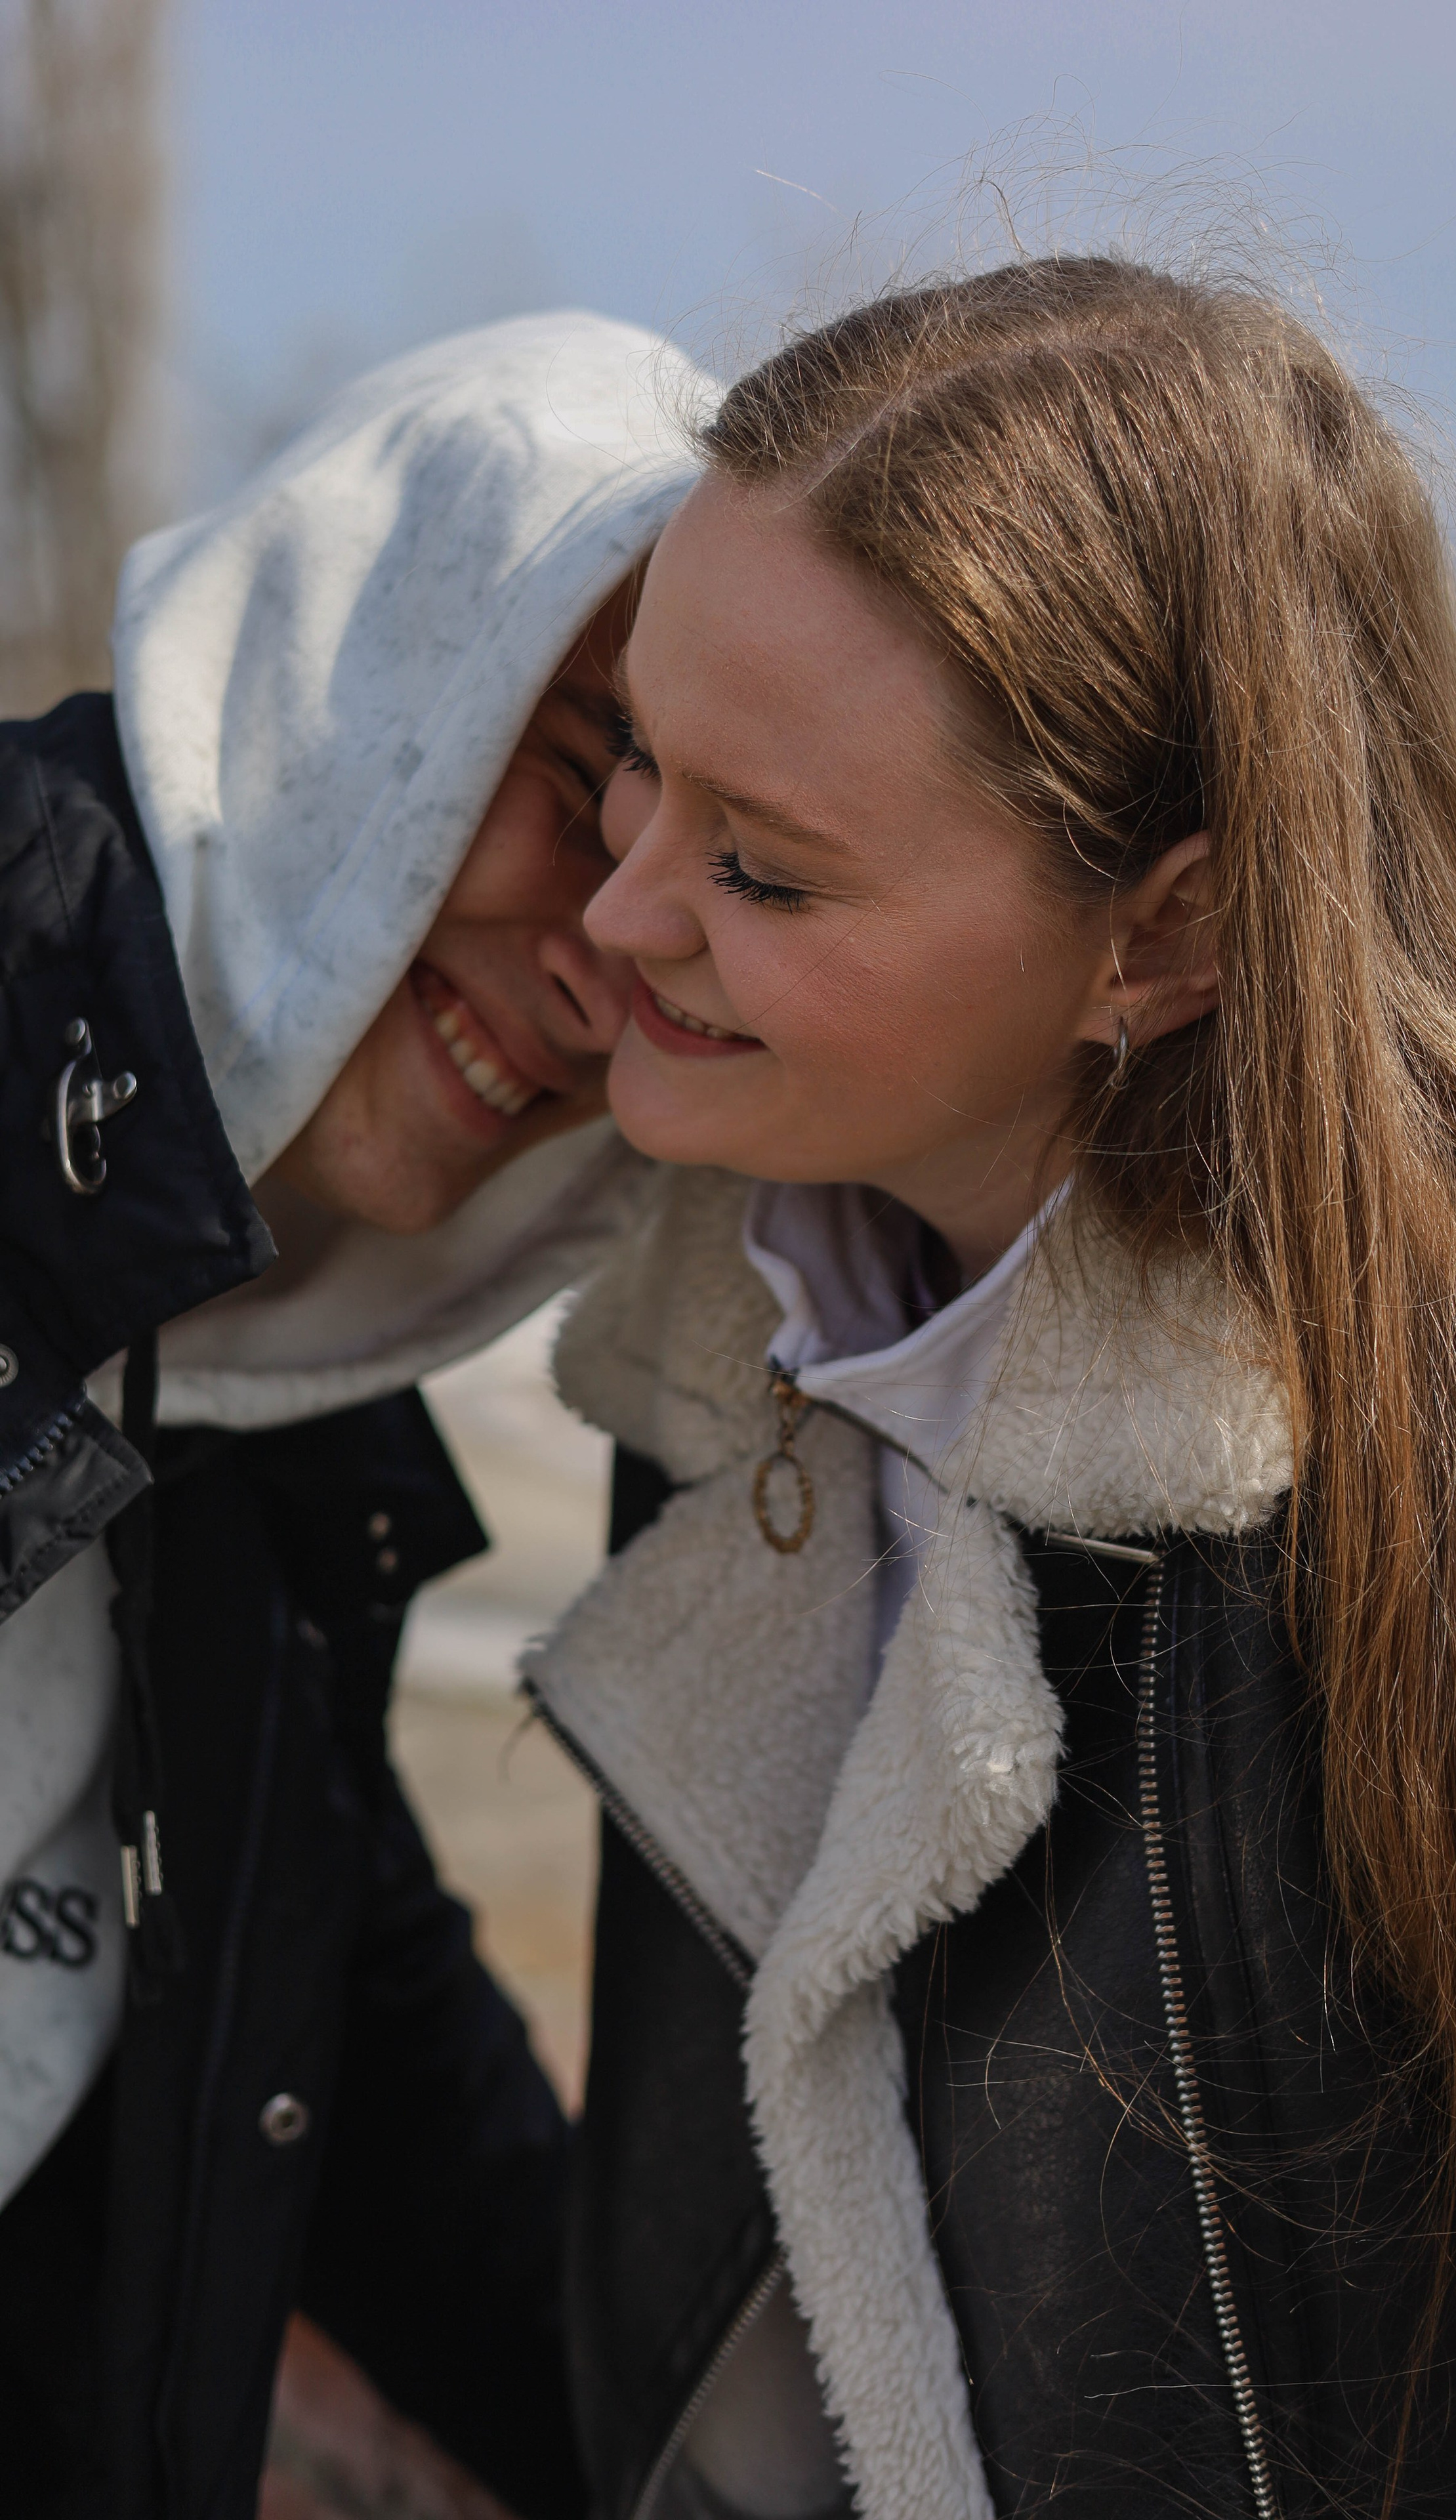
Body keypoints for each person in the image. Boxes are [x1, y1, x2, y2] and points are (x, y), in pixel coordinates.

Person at [522, 257, 1456, 2520]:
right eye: (631, 762)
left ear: (1163, 934)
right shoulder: (737, 1349)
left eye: (762, 863)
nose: (627, 908)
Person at [0, 306, 704, 2519]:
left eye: (719, 869)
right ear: (353, 673)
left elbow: (354, 2044)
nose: (617, 961)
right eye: (574, 761)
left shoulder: (273, 1395)